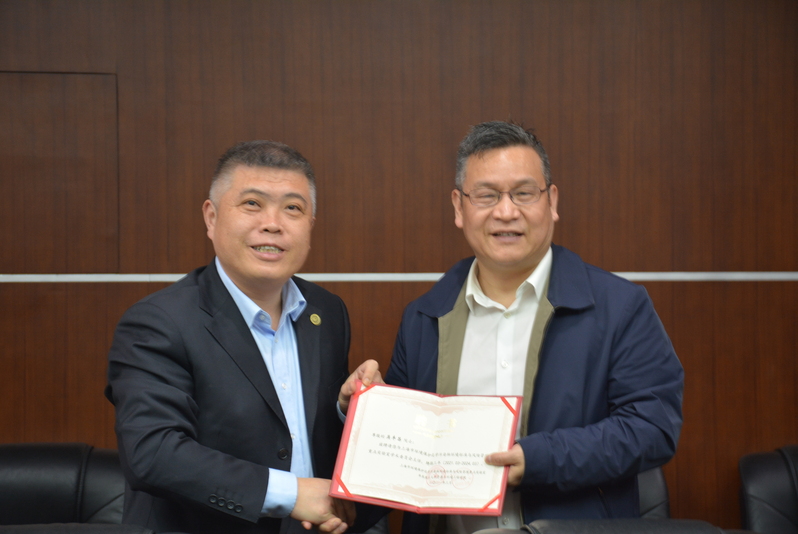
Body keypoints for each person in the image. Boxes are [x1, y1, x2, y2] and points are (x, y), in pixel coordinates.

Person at [382, 121, 684, 533]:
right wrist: (363, 407)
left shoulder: (619, 307)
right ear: (458, 207)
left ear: (552, 201)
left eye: (523, 193)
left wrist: (540, 459)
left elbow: (652, 428)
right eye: (487, 195)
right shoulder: (424, 318)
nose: (506, 212)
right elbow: (404, 449)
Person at [106, 140, 374, 534]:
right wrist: (291, 494)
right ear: (211, 217)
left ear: (311, 224)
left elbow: (299, 439)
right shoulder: (158, 322)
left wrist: (344, 409)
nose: (273, 223)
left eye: (293, 208)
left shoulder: (326, 312)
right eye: (252, 204)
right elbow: (153, 453)